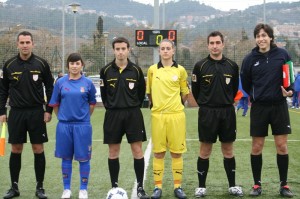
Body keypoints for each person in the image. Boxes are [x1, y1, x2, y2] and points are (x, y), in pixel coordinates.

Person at [240, 23, 294, 197]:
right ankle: (257, 185)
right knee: (257, 147)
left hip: (279, 106)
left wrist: (290, 90)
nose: (261, 39)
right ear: (255, 39)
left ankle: (284, 185)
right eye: (258, 36)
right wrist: (257, 95)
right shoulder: (249, 59)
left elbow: (290, 77)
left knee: (282, 146)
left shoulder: (283, 54)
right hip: (259, 108)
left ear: (271, 37)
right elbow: (246, 84)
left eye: (264, 35)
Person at [0, 31, 54, 199]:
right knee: (16, 149)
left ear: (32, 44)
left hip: (37, 112)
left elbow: (51, 87)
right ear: (17, 44)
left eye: (27, 42)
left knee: (38, 149)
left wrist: (48, 110)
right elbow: (2, 90)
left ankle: (40, 187)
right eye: (22, 42)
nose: (25, 45)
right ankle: (14, 187)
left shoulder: (42, 64)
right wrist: (2, 111)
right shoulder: (9, 65)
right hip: (16, 113)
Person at [191, 31, 243, 197]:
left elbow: (235, 89)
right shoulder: (200, 66)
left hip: (227, 112)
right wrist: (206, 104)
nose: (215, 46)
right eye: (212, 43)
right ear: (208, 45)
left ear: (223, 44)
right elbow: (196, 91)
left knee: (228, 149)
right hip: (207, 112)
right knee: (205, 149)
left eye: (217, 43)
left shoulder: (232, 66)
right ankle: (201, 187)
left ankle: (232, 185)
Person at [99, 37, 149, 199]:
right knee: (113, 152)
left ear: (128, 50)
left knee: (137, 150)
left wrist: (131, 105)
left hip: (133, 114)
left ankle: (140, 187)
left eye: (123, 49)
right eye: (117, 49)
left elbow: (141, 93)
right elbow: (104, 95)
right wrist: (114, 106)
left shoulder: (136, 70)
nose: (120, 52)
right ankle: (114, 187)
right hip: (113, 114)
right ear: (113, 50)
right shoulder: (106, 70)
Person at [49, 53, 96, 199]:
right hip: (64, 126)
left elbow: (92, 104)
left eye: (77, 63)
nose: (74, 66)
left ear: (82, 65)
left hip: (82, 126)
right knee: (66, 157)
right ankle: (67, 189)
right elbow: (55, 104)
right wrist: (62, 117)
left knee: (84, 158)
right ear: (68, 65)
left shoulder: (88, 83)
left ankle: (83, 189)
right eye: (71, 63)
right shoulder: (60, 82)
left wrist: (84, 118)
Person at [146, 39, 189, 199]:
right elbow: (149, 93)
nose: (165, 51)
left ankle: (178, 186)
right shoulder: (152, 70)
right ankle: (158, 187)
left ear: (173, 51)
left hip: (176, 116)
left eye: (168, 48)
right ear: (159, 51)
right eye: (162, 48)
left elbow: (185, 93)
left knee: (177, 153)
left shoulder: (181, 70)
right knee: (159, 153)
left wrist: (175, 105)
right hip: (158, 116)